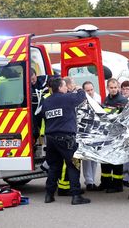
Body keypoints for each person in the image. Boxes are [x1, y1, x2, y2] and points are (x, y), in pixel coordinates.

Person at [42, 77, 90, 205]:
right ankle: (76, 196)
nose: (66, 88)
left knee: (54, 167)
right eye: (64, 86)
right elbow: (81, 98)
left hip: (51, 139)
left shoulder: (46, 101)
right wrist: (78, 89)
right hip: (66, 139)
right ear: (60, 87)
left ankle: (49, 194)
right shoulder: (67, 98)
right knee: (73, 166)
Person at [99, 78, 128, 193]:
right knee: (105, 161)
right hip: (107, 135)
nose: (114, 90)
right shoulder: (106, 100)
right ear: (107, 88)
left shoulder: (123, 101)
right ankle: (105, 183)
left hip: (118, 136)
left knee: (116, 161)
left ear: (118, 88)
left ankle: (117, 185)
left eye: (115, 87)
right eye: (111, 87)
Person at [81, 81, 101, 191]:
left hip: (96, 132)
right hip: (86, 132)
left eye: (91, 89)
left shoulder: (98, 98)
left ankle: (92, 180)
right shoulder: (82, 99)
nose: (90, 92)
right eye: (88, 90)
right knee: (87, 158)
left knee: (95, 158)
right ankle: (89, 181)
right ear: (84, 91)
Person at [120, 80, 129, 187]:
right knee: (124, 157)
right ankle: (125, 178)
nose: (124, 91)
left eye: (127, 89)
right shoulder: (121, 100)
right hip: (122, 133)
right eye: (123, 88)